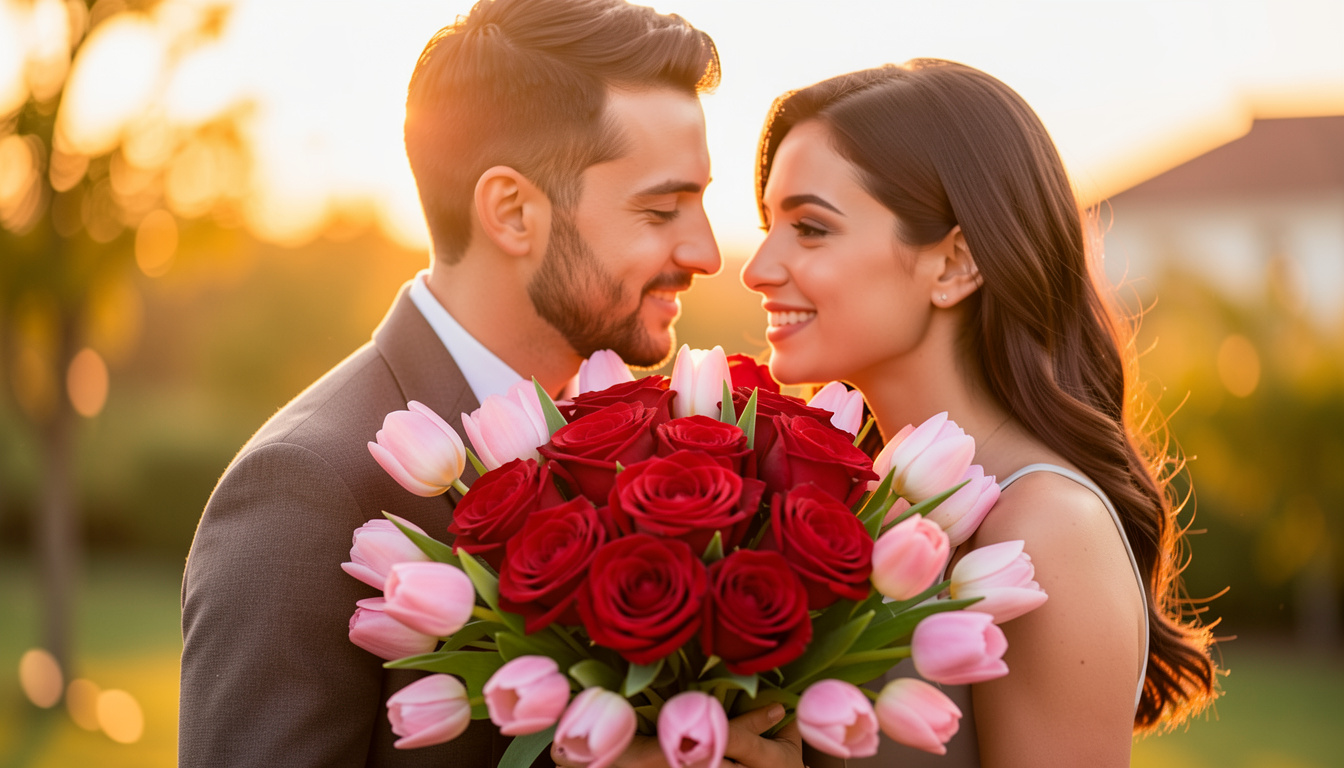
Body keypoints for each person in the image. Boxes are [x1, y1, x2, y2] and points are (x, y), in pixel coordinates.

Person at [179, 1, 725, 764]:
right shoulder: (306, 492)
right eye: (662, 208)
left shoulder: (648, 454)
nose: (706, 251)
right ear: (511, 211)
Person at [742, 59, 1220, 766]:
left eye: (810, 228)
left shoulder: (1045, 531)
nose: (756, 267)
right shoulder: (835, 498)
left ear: (955, 263)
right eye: (767, 224)